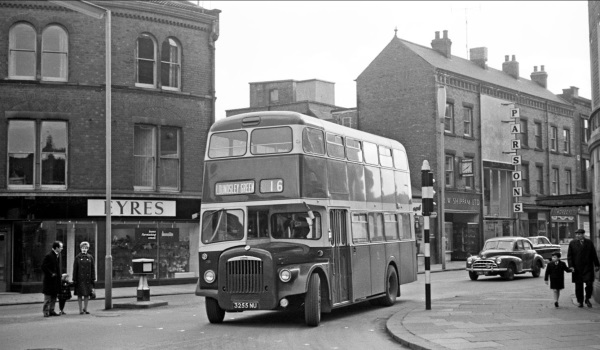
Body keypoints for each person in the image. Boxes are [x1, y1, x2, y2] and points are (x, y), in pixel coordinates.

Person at [567, 229, 600, 308]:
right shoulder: (572, 243)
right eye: (577, 234)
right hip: (577, 268)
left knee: (589, 283)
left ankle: (587, 298)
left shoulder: (589, 242)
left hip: (587, 267)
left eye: (579, 234)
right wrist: (571, 266)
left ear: (583, 235)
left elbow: (593, 254)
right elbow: (569, 256)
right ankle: (580, 301)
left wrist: (597, 265)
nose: (577, 236)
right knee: (578, 286)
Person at [73, 241, 96, 315]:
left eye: (86, 248)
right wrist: (74, 279)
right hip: (80, 278)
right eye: (83, 248)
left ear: (88, 249)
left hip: (87, 279)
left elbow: (93, 268)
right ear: (80, 248)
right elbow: (75, 269)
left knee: (87, 294)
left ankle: (85, 309)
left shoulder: (90, 257)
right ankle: (80, 310)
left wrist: (93, 278)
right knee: (80, 295)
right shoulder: (77, 257)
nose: (84, 249)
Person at [41, 240, 63, 317]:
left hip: (55, 280)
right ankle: (46, 311)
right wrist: (51, 273)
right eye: (61, 247)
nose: (62, 249)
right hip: (49, 280)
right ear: (56, 248)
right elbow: (43, 266)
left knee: (54, 296)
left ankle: (51, 310)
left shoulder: (58, 255)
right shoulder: (49, 255)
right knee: (48, 297)